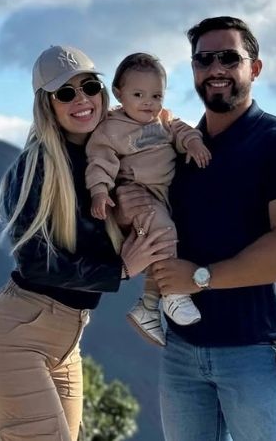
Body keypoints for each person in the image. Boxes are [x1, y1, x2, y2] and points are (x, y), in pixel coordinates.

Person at [127, 16, 276, 441]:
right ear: (193, 70)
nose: (215, 68)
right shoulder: (176, 150)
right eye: (204, 60)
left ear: (254, 68)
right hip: (182, 356)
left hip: (255, 355)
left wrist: (201, 278)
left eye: (228, 58)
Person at [0, 45, 176, 441]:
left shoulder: (113, 156)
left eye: (89, 87)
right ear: (48, 105)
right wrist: (120, 270)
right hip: (15, 337)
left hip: (67, 342)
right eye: (65, 93)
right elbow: (35, 261)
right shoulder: (36, 165)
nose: (81, 100)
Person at [85, 52, 212, 347]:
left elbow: (182, 130)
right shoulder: (110, 128)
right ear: (119, 93)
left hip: (161, 196)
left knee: (162, 243)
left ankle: (148, 306)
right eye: (138, 95)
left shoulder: (163, 119)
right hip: (137, 193)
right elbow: (100, 161)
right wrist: (100, 191)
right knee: (164, 233)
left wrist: (193, 142)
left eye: (156, 96)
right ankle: (174, 295)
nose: (148, 103)